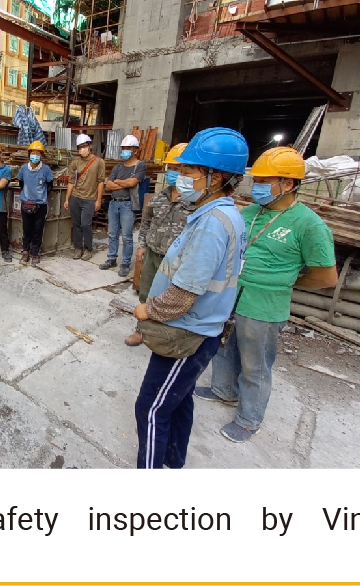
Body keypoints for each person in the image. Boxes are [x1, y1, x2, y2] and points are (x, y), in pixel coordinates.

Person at [195, 147, 337, 443]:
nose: (256, 186)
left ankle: (249, 419)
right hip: (232, 295)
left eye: (263, 180)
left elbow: (325, 276)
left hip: (265, 304)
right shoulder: (249, 212)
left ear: (287, 184)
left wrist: (281, 281)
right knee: (223, 345)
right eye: (256, 180)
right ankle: (224, 390)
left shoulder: (308, 224)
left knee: (255, 363)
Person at [132, 127, 248, 469]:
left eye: (189, 171)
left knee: (151, 408)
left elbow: (183, 296)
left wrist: (146, 309)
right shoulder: (222, 214)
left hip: (187, 333)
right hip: (201, 330)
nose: (181, 177)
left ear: (216, 177)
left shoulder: (211, 223)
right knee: (178, 400)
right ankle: (172, 460)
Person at [124, 143, 194, 346]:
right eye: (170, 168)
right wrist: (142, 244)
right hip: (153, 254)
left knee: (171, 299)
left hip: (178, 260)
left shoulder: (195, 202)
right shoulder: (159, 197)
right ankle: (141, 331)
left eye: (179, 169)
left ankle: (165, 335)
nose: (174, 173)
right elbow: (146, 222)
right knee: (146, 294)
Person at [100, 135, 146, 277]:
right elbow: (108, 184)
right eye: (123, 148)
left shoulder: (140, 165)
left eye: (128, 148)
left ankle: (125, 263)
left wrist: (118, 182)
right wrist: (124, 182)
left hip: (127, 204)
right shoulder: (118, 167)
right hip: (114, 203)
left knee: (126, 236)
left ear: (135, 150)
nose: (125, 151)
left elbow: (132, 183)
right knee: (112, 234)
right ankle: (112, 259)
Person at [64, 133, 105, 260]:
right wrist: (67, 198)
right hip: (75, 198)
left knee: (86, 224)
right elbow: (71, 181)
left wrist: (98, 200)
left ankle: (88, 249)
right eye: (80, 147)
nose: (82, 149)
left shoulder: (99, 162)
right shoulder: (75, 163)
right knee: (76, 224)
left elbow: (100, 182)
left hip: (89, 199)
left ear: (90, 146)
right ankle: (78, 248)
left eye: (84, 146)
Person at [16, 140, 53, 266]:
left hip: (40, 205)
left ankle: (35, 253)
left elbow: (49, 186)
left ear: (41, 155)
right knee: (26, 229)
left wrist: (40, 197)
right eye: (33, 152)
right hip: (26, 203)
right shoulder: (24, 168)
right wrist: (27, 196)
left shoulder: (46, 169)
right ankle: (25, 251)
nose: (35, 155)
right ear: (29, 154)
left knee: (38, 230)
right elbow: (21, 183)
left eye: (38, 153)